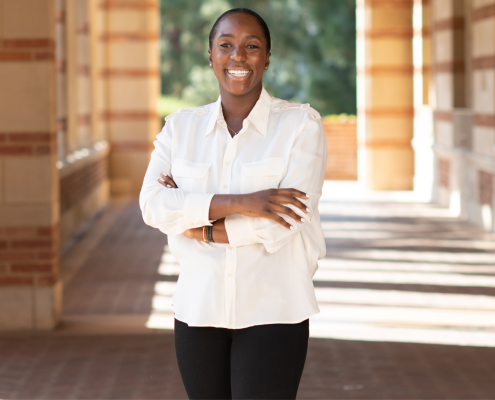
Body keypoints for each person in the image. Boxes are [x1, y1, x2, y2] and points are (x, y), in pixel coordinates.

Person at [140, 8, 326, 400]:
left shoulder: (300, 126)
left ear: (267, 57)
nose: (238, 56)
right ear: (210, 56)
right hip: (198, 308)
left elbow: (283, 222)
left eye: (251, 46)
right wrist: (246, 202)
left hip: (275, 308)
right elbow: (154, 205)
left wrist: (197, 223)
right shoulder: (180, 129)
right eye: (226, 45)